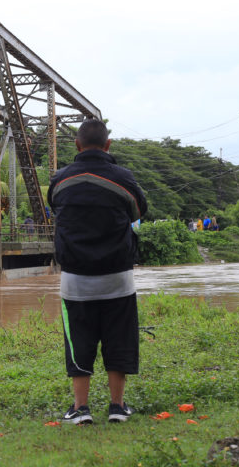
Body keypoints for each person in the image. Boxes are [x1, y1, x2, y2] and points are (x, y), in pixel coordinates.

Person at [47, 118, 147, 424]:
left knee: (80, 341)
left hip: (75, 280)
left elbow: (54, 207)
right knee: (119, 339)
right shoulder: (122, 178)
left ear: (77, 146)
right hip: (118, 278)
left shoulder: (60, 180)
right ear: (108, 145)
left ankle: (80, 408)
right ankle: (117, 406)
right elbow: (139, 211)